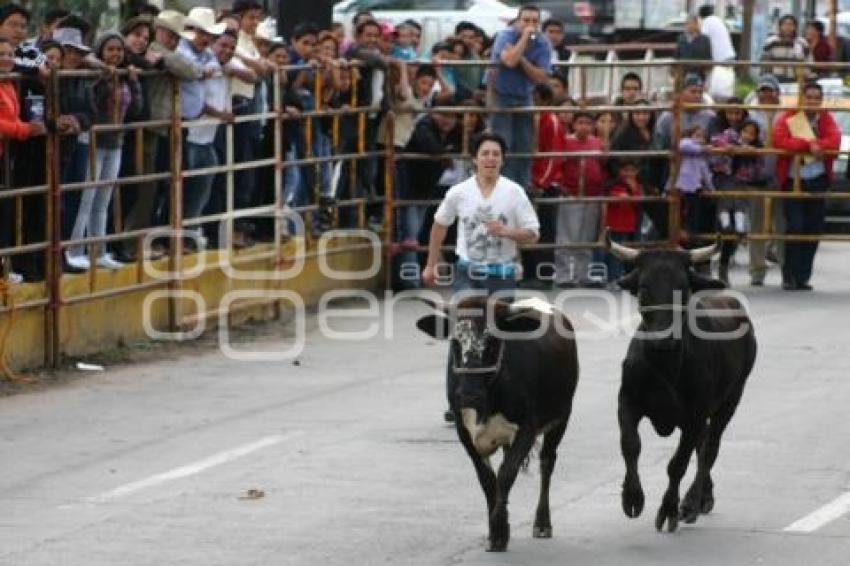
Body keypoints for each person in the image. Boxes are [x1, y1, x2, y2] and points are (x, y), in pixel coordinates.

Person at [422, 131, 539, 292]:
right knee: (466, 316)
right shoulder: (459, 192)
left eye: (496, 154)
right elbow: (440, 225)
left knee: (496, 317)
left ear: (502, 160)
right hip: (466, 273)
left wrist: (506, 231)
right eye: (485, 153)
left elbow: (533, 235)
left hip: (502, 275)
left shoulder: (515, 192)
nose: (490, 158)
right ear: (475, 159)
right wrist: (430, 265)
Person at [66, 32, 143, 271]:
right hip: (93, 142)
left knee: (104, 199)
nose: (115, 54)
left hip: (115, 143)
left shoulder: (123, 76)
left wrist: (133, 82)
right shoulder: (94, 76)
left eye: (119, 50)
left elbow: (136, 110)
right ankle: (75, 250)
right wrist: (103, 78)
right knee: (86, 198)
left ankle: (99, 251)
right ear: (100, 51)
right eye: (110, 49)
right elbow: (90, 103)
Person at [773, 82, 841, 291]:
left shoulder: (825, 118)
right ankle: (789, 274)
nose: (812, 101)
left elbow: (835, 140)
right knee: (795, 226)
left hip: (818, 178)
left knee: (813, 228)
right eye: (809, 97)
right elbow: (780, 141)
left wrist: (818, 145)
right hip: (794, 179)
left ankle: (803, 276)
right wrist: (807, 144)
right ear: (802, 98)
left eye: (816, 98)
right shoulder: (789, 117)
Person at [488, 4, 552, 189]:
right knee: (502, 143)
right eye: (526, 20)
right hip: (500, 93)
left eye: (534, 21)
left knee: (524, 145)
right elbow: (508, 61)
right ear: (517, 21)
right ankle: (502, 187)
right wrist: (524, 38)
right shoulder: (505, 36)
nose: (530, 25)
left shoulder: (543, 43)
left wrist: (523, 60)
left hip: (524, 95)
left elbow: (540, 77)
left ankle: (522, 188)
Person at [0, 35, 46, 284]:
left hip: (5, 155)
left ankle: (4, 266)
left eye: (9, 54)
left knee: (5, 210)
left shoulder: (9, 82)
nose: (6, 59)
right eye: (1, 54)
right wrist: (25, 130)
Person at [555, 111, 606, 287]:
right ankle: (563, 276)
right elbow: (558, 165)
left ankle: (583, 275)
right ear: (574, 124)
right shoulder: (566, 142)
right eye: (580, 122)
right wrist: (562, 187)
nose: (584, 126)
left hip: (592, 195)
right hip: (571, 194)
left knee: (586, 237)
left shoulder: (597, 143)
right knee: (567, 237)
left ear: (592, 126)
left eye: (587, 123)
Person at [745, 74, 783, 286]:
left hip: (781, 176)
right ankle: (757, 271)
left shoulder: (786, 114)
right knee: (756, 225)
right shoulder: (750, 114)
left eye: (770, 90)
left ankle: (786, 269)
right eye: (763, 91)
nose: (766, 94)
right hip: (756, 176)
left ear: (777, 92)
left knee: (782, 225)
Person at [605, 159, 643, 283]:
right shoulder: (615, 184)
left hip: (629, 225)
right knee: (615, 253)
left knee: (627, 252)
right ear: (619, 171)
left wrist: (632, 190)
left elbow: (638, 201)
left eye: (632, 171)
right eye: (625, 170)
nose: (628, 174)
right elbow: (617, 198)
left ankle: (624, 276)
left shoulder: (638, 185)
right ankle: (614, 278)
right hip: (615, 224)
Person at [698, 5, 735, 100]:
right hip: (729, 57)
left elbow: (702, 40)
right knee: (726, 90)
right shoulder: (718, 20)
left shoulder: (706, 22)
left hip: (719, 60)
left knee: (714, 92)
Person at [761, 14, 808, 83]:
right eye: (785, 24)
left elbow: (808, 61)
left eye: (790, 24)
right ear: (780, 26)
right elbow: (764, 61)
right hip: (774, 78)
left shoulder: (802, 43)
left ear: (795, 27)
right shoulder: (771, 42)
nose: (788, 27)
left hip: (796, 78)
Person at [674, 14, 712, 80]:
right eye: (687, 24)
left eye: (691, 23)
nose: (689, 26)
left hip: (699, 74)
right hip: (683, 74)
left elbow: (708, 58)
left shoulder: (705, 39)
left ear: (696, 24)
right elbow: (676, 56)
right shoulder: (681, 39)